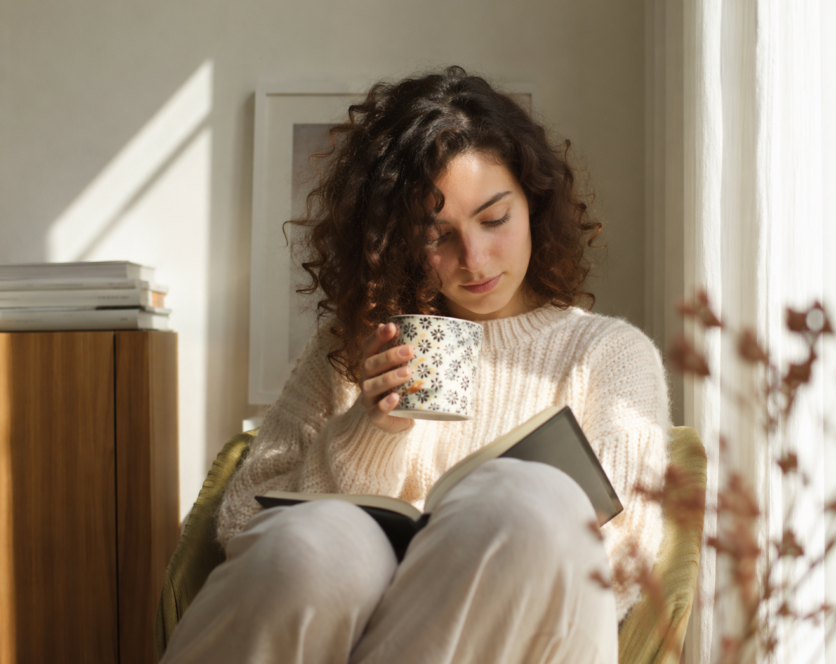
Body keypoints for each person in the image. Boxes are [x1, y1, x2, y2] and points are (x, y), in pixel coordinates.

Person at [161, 66, 670, 664]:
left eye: (494, 219)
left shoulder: (608, 354)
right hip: (338, 627)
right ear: (400, 241)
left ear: (534, 204)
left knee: (528, 498)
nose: (473, 259)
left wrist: (449, 567)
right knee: (323, 543)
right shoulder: (357, 348)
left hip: (526, 633)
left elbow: (623, 551)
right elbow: (246, 521)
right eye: (437, 235)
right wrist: (369, 433)